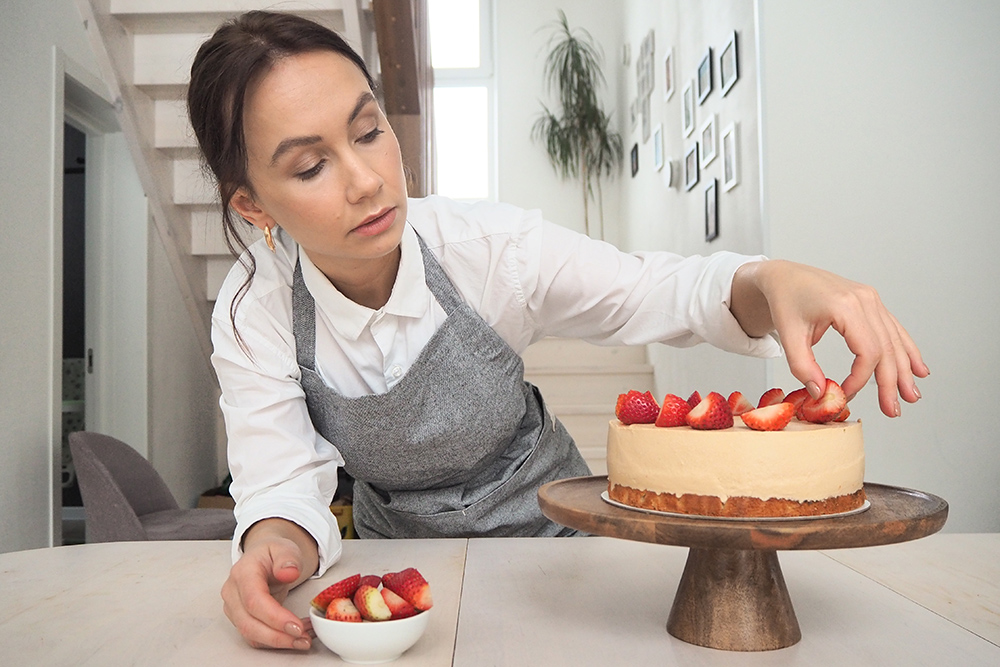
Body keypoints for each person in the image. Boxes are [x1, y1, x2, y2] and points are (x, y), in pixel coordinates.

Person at [187, 11, 927, 651]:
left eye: (369, 130)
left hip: (567, 550)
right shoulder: (255, 310)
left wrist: (771, 278)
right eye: (312, 165)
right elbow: (281, 486)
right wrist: (270, 552)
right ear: (254, 205)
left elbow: (659, 291)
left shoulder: (490, 250)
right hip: (402, 566)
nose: (368, 179)